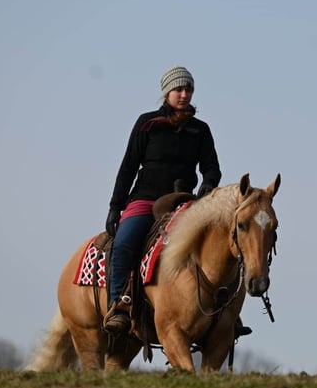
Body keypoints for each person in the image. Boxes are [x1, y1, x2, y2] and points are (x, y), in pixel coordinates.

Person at [103, 65, 251, 339]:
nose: (184, 94)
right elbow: (128, 167)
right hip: (145, 199)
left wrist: (208, 185)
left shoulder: (200, 130)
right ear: (166, 92)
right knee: (124, 244)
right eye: (178, 89)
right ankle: (119, 307)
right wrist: (116, 205)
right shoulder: (147, 124)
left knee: (217, 243)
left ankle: (227, 311)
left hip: (184, 202)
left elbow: (211, 168)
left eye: (188, 89)